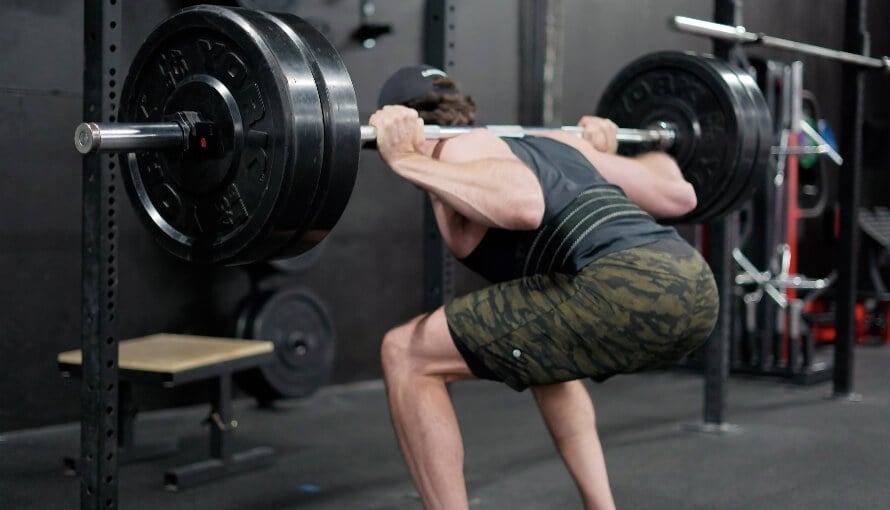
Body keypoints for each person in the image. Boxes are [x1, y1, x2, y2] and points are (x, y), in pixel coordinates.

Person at [369, 64, 719, 510]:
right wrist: (646, 144)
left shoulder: (462, 148)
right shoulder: (561, 145)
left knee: (406, 353)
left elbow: (523, 205)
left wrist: (405, 159)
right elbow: (679, 194)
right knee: (549, 370)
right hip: (692, 285)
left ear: (398, 121)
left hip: (620, 284)